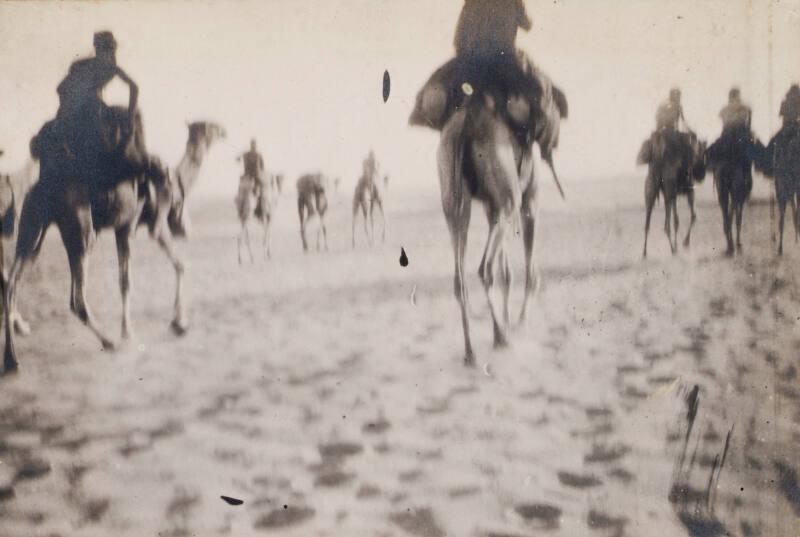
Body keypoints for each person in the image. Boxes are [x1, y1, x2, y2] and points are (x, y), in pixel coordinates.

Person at [409, 0, 567, 157]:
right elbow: (527, 25)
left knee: (440, 86)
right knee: (538, 92)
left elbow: (458, 39)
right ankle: (539, 143)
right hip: (504, 61)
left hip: (469, 61)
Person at [33, 31, 160, 188]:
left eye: (107, 49)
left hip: (77, 108)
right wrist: (130, 117)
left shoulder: (88, 65)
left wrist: (130, 117)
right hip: (85, 108)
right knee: (106, 128)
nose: (108, 53)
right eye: (106, 49)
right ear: (104, 49)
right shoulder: (103, 66)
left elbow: (61, 89)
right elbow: (134, 87)